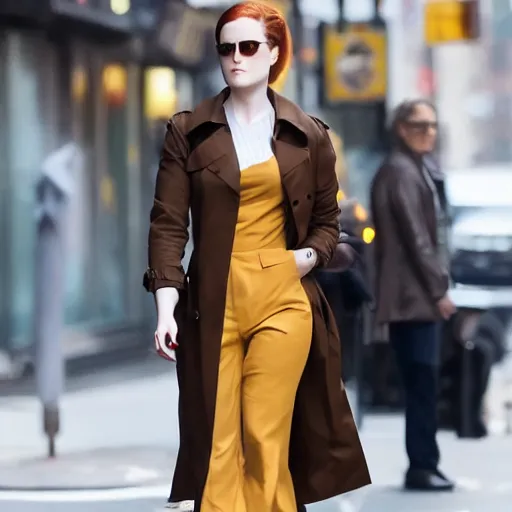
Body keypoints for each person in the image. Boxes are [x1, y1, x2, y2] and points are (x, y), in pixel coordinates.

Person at [143, 2, 370, 511]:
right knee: (218, 444)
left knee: (264, 435)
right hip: (211, 298)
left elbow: (328, 223)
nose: (236, 58)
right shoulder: (188, 131)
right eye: (227, 48)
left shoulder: (309, 134)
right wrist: (165, 307)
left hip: (283, 296)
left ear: (273, 54)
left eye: (248, 47)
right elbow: (168, 224)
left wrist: (306, 259)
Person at [370, 99, 456, 491]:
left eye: (433, 125)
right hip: (413, 299)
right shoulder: (400, 171)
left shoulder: (417, 168)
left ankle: (425, 463)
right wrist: (439, 289)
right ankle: (421, 465)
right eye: (419, 125)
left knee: (424, 382)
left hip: (416, 296)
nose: (428, 132)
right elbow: (417, 240)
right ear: (401, 128)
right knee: (422, 382)